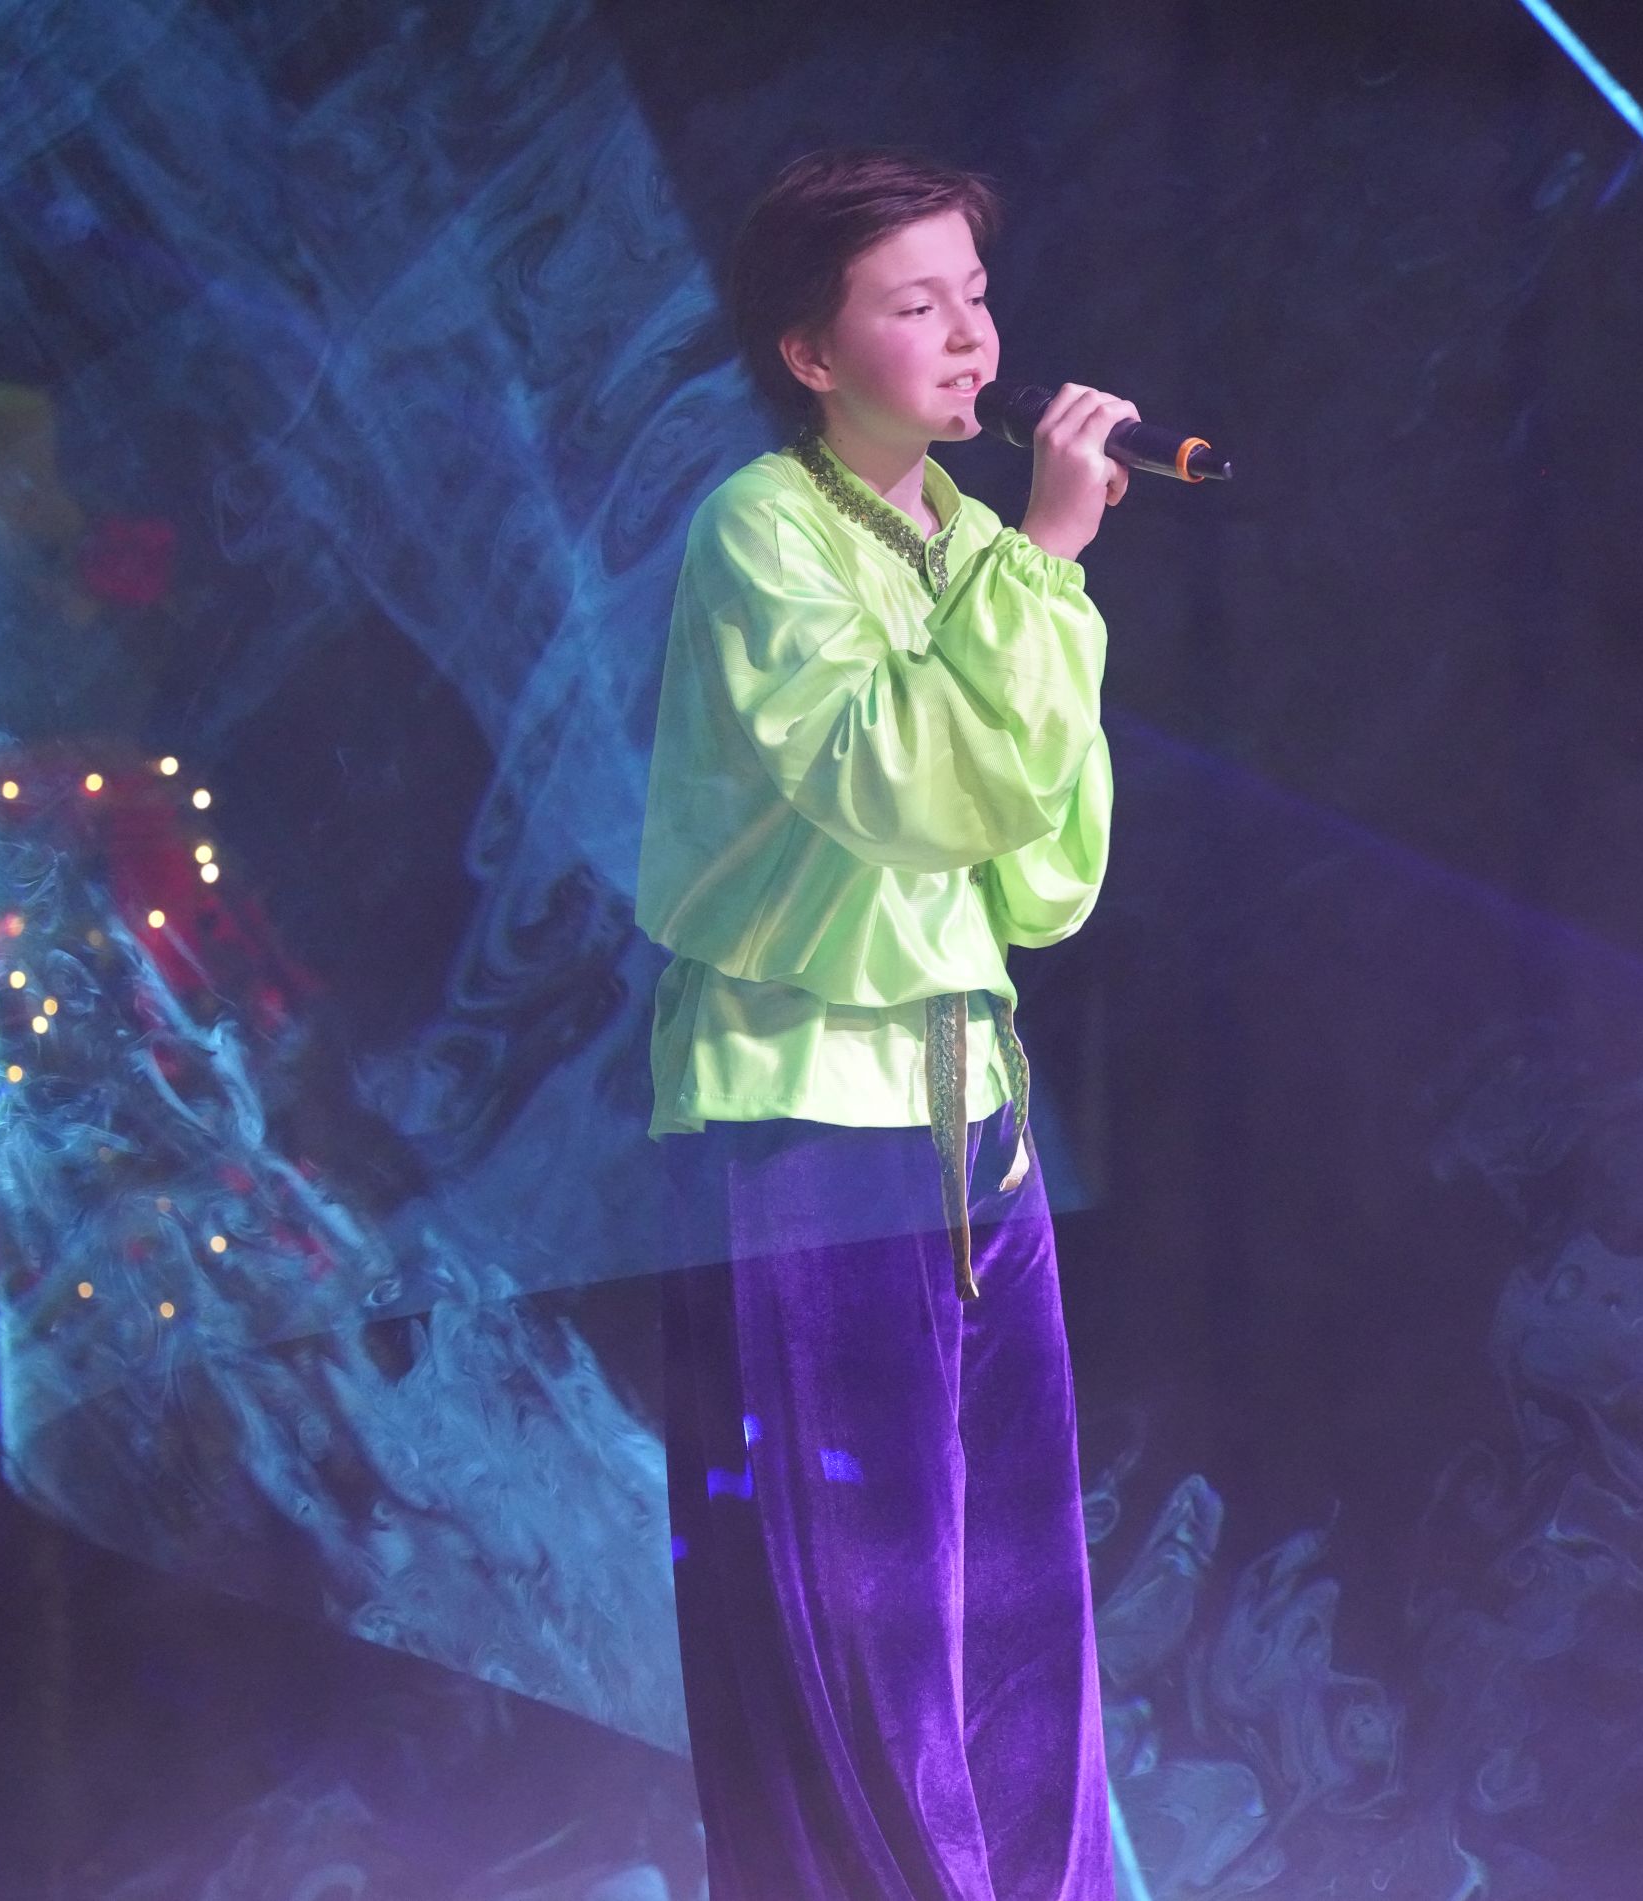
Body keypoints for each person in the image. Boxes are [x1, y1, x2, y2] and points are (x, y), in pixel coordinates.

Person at [635, 146, 1136, 1900]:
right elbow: (892, 781)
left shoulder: (982, 547)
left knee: (1022, 1590)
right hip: (808, 1108)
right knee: (859, 1612)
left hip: (969, 1102)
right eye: (916, 305)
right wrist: (1045, 568)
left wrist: (1035, 580)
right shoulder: (761, 531)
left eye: (975, 296)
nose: (971, 337)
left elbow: (1041, 875)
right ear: (811, 351)